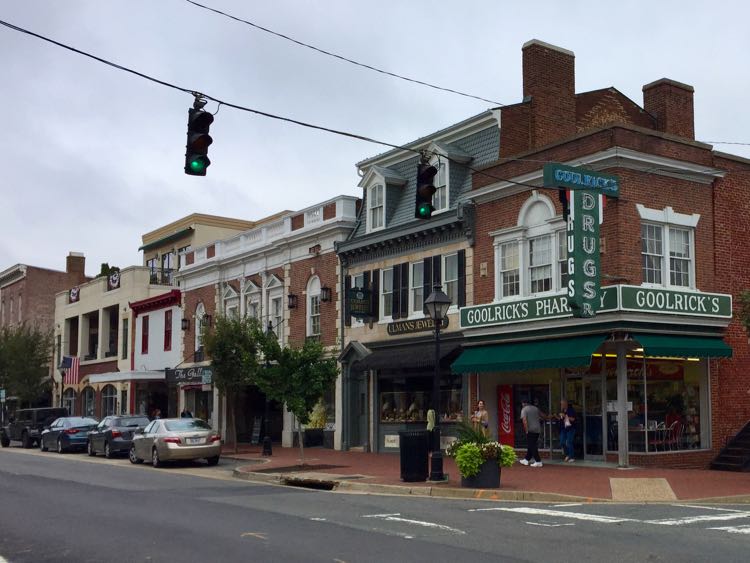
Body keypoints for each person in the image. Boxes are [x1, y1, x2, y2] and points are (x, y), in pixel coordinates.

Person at [519, 398, 544, 467]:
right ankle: (526, 459)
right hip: (538, 429)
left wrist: (526, 429)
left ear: (523, 403)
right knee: (531, 444)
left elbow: (524, 420)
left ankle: (538, 461)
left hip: (530, 429)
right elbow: (542, 416)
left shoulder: (524, 410)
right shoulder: (535, 408)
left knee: (532, 445)